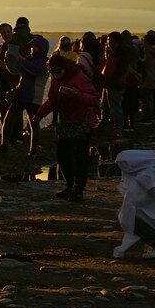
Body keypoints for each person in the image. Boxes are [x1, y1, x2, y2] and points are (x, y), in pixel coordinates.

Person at [34, 49, 98, 202]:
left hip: (83, 122)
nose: (54, 73)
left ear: (63, 67)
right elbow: (52, 100)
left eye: (56, 71)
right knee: (62, 155)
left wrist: (75, 94)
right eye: (52, 71)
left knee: (81, 157)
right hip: (67, 123)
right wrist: (39, 114)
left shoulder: (79, 77)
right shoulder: (56, 80)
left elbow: (93, 99)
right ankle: (70, 186)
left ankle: (78, 190)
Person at [0, 22, 19, 120]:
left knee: (14, 111)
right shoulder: (0, 47)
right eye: (3, 32)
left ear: (11, 32)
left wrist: (5, 65)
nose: (6, 34)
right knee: (3, 111)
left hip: (14, 82)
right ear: (0, 34)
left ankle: (16, 134)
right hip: (2, 82)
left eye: (8, 32)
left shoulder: (16, 46)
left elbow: (18, 66)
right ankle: (5, 133)